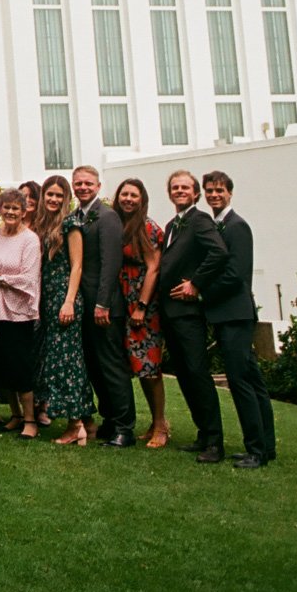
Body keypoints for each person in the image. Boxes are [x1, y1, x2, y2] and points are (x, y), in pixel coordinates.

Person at [201, 171, 277, 468]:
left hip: (235, 314)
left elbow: (236, 275)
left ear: (230, 193)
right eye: (209, 190)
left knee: (240, 382)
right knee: (253, 381)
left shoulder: (237, 227)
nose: (214, 195)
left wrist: (200, 292)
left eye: (219, 190)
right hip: (227, 314)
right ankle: (266, 446)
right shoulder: (218, 225)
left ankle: (256, 451)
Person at [157, 169, 230, 463]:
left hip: (187, 313)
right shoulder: (173, 224)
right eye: (175, 187)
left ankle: (215, 441)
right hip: (170, 312)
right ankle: (203, 433)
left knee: (198, 374)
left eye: (185, 187)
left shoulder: (200, 220)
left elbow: (219, 253)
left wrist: (195, 283)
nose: (179, 191)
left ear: (196, 193)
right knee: (185, 375)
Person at [71, 164, 134, 447]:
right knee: (95, 367)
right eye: (78, 183)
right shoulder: (76, 217)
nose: (82, 187)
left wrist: (102, 304)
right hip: (84, 305)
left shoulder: (107, 217)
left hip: (104, 307)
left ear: (98, 186)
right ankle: (109, 420)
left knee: (112, 366)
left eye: (87, 183)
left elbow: (111, 263)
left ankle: (125, 427)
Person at [0, 189, 42, 438]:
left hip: (19, 313)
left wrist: (0, 279)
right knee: (1, 368)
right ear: (0, 209)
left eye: (16, 208)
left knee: (20, 367)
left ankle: (30, 421)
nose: (11, 212)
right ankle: (15, 416)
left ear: (24, 211)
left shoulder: (30, 240)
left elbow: (28, 278)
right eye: (7, 207)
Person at [33, 175, 92, 444]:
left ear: (65, 198)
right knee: (54, 360)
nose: (54, 199)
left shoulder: (71, 224)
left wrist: (68, 301)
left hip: (64, 298)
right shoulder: (42, 224)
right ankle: (82, 424)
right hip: (47, 298)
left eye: (59, 195)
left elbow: (77, 265)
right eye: (50, 195)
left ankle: (75, 423)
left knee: (67, 362)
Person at [114, 177, 169, 447]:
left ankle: (161, 424)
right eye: (124, 194)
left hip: (142, 302)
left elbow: (154, 268)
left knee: (149, 366)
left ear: (142, 199)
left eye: (134, 195)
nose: (128, 199)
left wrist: (142, 307)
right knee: (135, 364)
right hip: (121, 300)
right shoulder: (118, 225)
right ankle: (153, 422)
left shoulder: (147, 227)